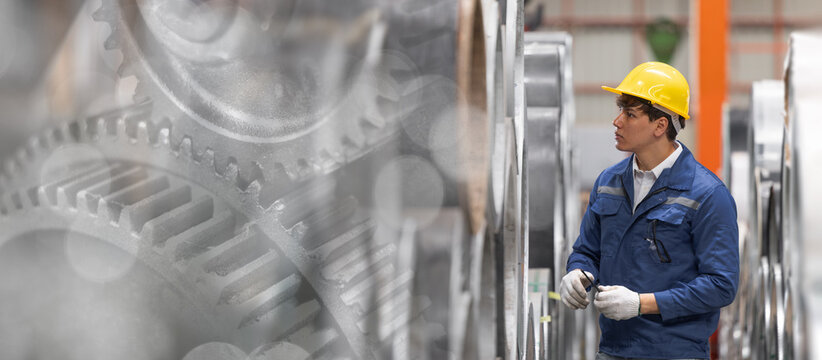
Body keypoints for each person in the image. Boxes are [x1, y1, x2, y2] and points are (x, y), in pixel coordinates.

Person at [559, 62, 739, 360]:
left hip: (675, 352)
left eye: (630, 114)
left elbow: (721, 285)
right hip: (613, 350)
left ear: (660, 125)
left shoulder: (706, 195)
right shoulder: (608, 182)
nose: (617, 122)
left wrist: (643, 303)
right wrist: (578, 272)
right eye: (620, 112)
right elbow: (588, 250)